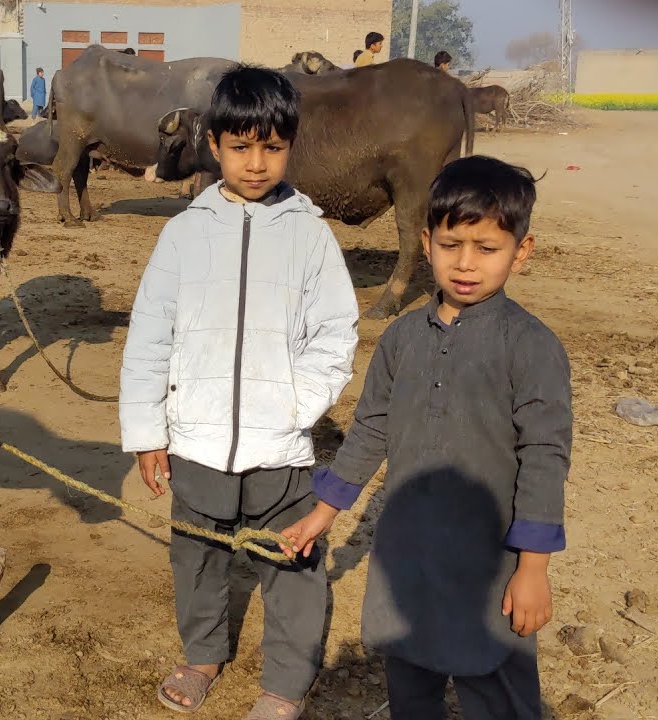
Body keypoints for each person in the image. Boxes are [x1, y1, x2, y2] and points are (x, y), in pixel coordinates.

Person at [285, 155, 571, 719]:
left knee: (496, 687)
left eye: (487, 249)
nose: (465, 264)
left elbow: (545, 456)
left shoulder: (533, 348)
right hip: (407, 550)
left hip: (489, 560)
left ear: (523, 250)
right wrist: (324, 513)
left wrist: (533, 568)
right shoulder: (400, 339)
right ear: (425, 241)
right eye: (449, 245)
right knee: (410, 682)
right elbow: (370, 428)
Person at [120, 64, 359, 719]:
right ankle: (202, 655)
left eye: (272, 147)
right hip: (196, 442)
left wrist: (295, 404)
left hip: (280, 449)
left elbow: (336, 332)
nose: (256, 163)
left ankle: (284, 684)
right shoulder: (184, 235)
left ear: (290, 145)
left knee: (292, 566)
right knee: (196, 558)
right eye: (241, 147)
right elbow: (149, 337)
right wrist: (148, 434)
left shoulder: (311, 235)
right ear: (214, 144)